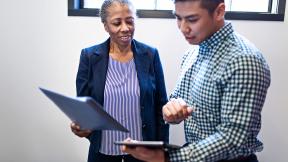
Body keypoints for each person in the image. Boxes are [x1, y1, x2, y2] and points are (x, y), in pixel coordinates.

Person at [122, 0, 271, 162]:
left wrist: (166, 157)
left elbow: (232, 139)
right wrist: (171, 112)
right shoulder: (193, 52)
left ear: (219, 12)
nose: (183, 28)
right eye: (178, 18)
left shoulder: (244, 60)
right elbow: (177, 100)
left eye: (192, 19)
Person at [70, 0, 169, 162]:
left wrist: (161, 152)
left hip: (143, 154)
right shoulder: (89, 57)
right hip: (102, 153)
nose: (125, 28)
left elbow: (161, 107)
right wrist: (81, 126)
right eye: (117, 23)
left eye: (130, 21)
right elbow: (84, 109)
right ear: (105, 26)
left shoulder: (150, 55)